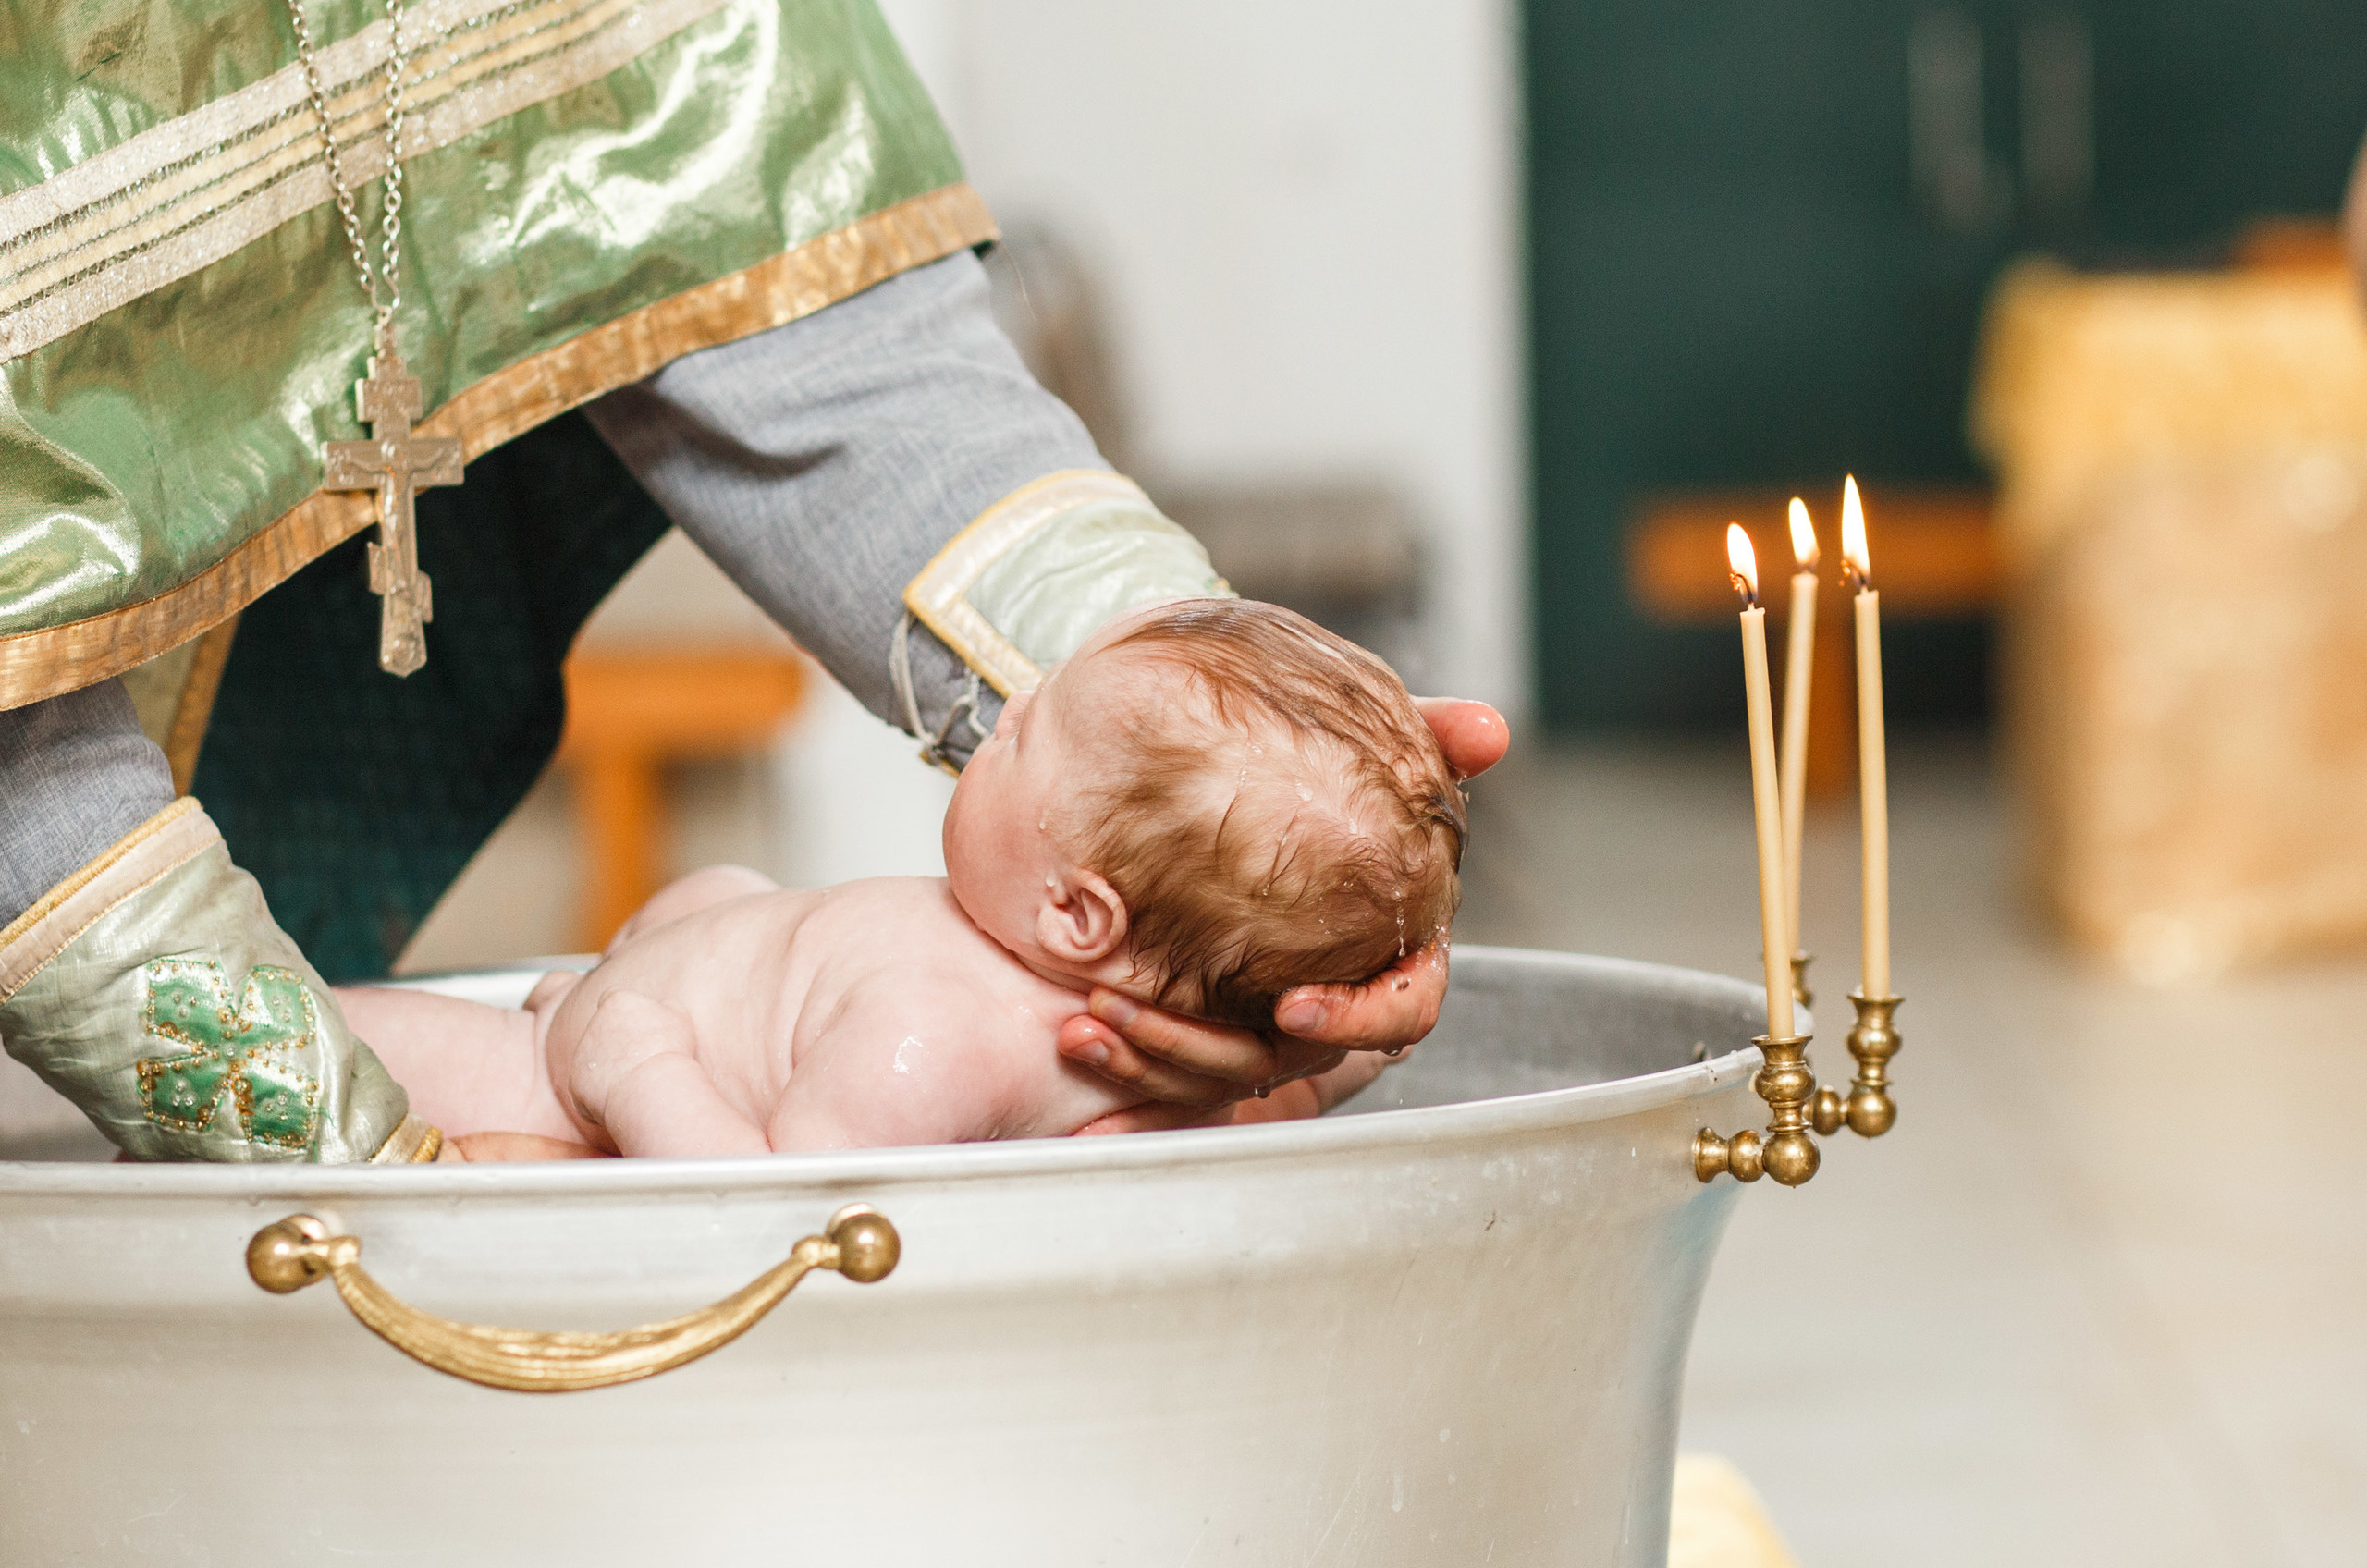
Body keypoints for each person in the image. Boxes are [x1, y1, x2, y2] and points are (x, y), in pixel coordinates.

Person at [0, 0, 1507, 1165]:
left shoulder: (961, 1017)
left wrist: (1257, 794)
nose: (1013, 721)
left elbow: (815, 310)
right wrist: (361, 1159)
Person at [337, 598, 1466, 1157]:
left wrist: (630, 1071)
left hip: (546, 1094)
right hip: (610, 1009)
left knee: (297, 1047)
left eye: (1028, 736)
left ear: (1075, 913)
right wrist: (1359, 1025)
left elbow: (782, 1216)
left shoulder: (938, 1038)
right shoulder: (1190, 1074)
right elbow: (1312, 1087)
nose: (1006, 711)